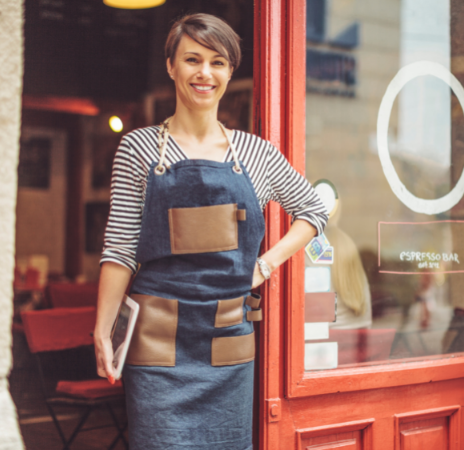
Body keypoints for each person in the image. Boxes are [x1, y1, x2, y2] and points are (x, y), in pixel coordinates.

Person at [94, 14, 328, 450]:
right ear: (171, 66)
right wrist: (102, 331)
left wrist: (267, 262)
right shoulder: (139, 148)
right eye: (193, 60)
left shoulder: (256, 153)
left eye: (218, 62)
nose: (205, 73)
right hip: (156, 344)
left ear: (230, 71)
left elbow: (315, 209)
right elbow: (121, 248)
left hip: (228, 344)